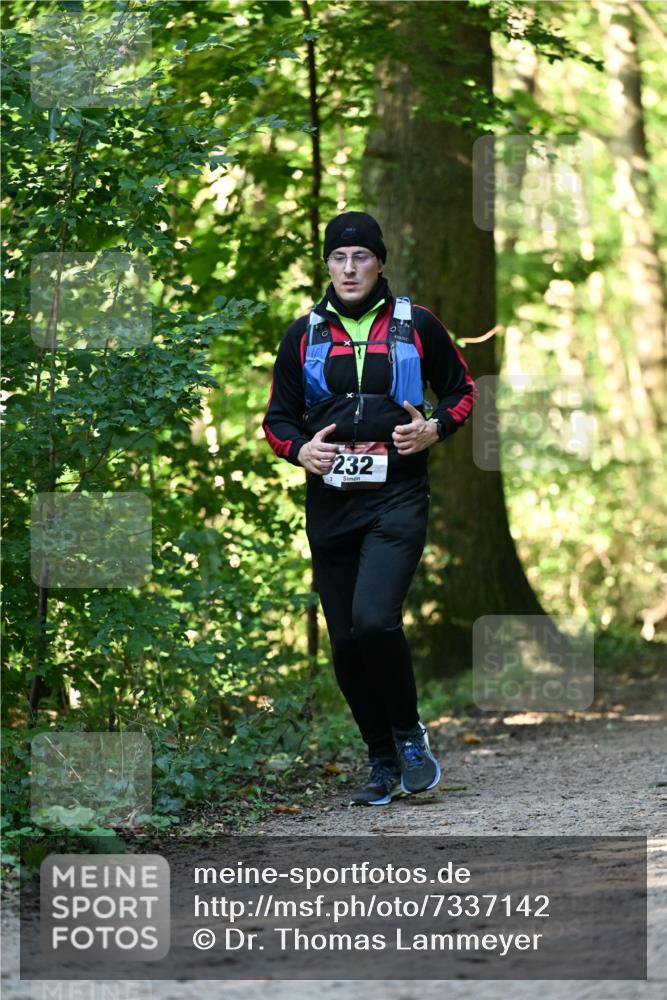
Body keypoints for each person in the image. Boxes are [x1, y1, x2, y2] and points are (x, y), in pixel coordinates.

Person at [263, 211, 477, 806]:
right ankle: (381, 760)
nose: (350, 267)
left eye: (361, 257)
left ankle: (409, 736)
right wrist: (300, 450)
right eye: (339, 257)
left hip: (397, 497)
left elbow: (462, 390)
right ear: (327, 265)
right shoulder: (302, 334)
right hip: (331, 505)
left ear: (380, 262)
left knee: (375, 620)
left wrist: (434, 429)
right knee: (345, 643)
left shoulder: (417, 324)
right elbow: (277, 420)